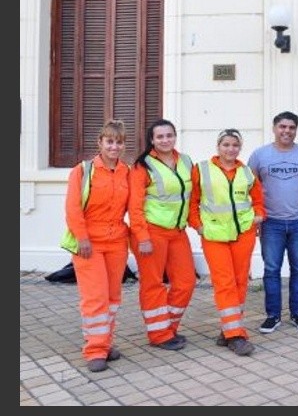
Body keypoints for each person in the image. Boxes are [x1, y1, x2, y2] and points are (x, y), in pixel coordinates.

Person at [189, 128, 265, 356]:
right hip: (214, 235)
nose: (230, 149)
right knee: (224, 282)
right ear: (218, 146)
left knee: (240, 280)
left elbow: (258, 199)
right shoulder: (201, 170)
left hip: (243, 233)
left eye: (235, 145)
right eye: (226, 145)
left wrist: (258, 215)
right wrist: (198, 226)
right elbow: (193, 201)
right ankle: (236, 335)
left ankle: (229, 328)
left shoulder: (247, 172)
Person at [63, 120, 131, 372]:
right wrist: (82, 239)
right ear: (100, 143)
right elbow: (72, 209)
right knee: (95, 297)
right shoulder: (82, 171)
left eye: (119, 142)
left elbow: (133, 208)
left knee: (113, 297)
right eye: (110, 141)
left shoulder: (127, 171)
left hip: (117, 242)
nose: (114, 146)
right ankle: (94, 350)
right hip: (89, 242)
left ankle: (105, 343)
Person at [248, 111, 298, 334]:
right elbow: (250, 189)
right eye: (282, 127)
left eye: (291, 127)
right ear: (274, 128)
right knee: (271, 270)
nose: (286, 131)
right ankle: (273, 315)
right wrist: (256, 218)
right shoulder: (259, 155)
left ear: (296, 130)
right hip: (271, 223)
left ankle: (297, 313)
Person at [128, 119, 196, 351]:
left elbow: (193, 198)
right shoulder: (142, 166)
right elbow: (134, 206)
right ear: (152, 140)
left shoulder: (186, 161)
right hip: (151, 232)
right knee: (153, 284)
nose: (165, 140)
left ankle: (169, 327)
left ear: (175, 136)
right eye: (160, 137)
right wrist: (142, 237)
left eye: (169, 135)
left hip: (178, 232)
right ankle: (159, 335)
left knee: (186, 282)